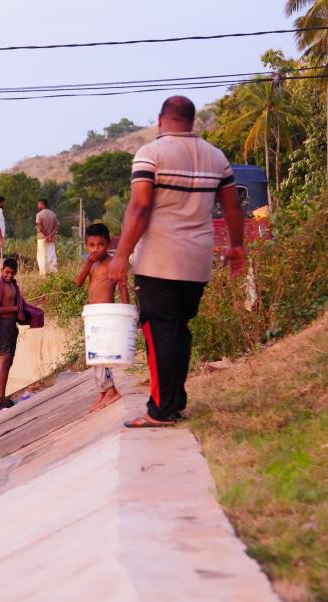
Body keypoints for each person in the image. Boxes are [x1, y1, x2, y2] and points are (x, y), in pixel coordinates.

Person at [108, 96, 245, 428]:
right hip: (197, 261)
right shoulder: (216, 157)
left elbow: (139, 208)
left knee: (159, 332)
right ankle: (176, 401)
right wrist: (237, 245)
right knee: (179, 331)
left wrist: (122, 254)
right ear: (192, 121)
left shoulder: (150, 154)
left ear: (160, 120)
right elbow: (231, 206)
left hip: (159, 260)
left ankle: (160, 410)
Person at [75, 223, 130, 413]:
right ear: (86, 245)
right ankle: (102, 391)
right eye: (91, 245)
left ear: (108, 244)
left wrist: (127, 313)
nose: (95, 249)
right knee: (94, 356)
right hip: (93, 314)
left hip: (106, 315)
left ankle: (111, 390)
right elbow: (77, 282)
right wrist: (88, 263)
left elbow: (123, 287)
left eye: (100, 245)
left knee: (102, 355)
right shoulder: (92, 264)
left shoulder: (114, 263)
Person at [0, 257, 28, 399]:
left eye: (12, 273)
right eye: (7, 272)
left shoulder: (13, 285)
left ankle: (2, 396)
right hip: (3, 326)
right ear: (1, 270)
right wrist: (15, 308)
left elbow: (20, 303)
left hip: (11, 326)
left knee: (9, 360)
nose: (9, 275)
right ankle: (0, 398)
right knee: (4, 360)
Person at [35, 199, 60, 274]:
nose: (38, 206)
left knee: (41, 256)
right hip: (51, 239)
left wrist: (46, 236)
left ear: (42, 204)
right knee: (51, 255)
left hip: (42, 239)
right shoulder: (53, 214)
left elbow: (40, 227)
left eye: (39, 204)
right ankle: (52, 272)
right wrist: (50, 235)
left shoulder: (39, 215)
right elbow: (56, 227)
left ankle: (43, 273)